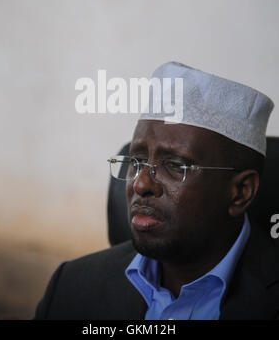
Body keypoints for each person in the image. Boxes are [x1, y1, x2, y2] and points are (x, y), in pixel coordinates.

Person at [34, 62, 279, 320]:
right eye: (136, 161)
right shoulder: (73, 285)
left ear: (241, 191)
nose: (140, 184)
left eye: (175, 166)